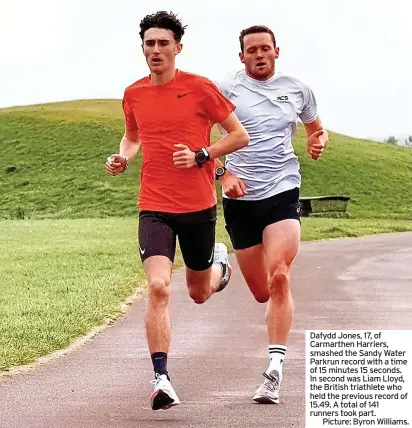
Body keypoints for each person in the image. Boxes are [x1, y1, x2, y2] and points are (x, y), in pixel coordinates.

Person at [105, 11, 248, 411]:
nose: (155, 50)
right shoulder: (133, 93)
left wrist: (203, 153)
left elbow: (239, 135)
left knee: (199, 293)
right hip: (154, 206)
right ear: (143, 48)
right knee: (158, 287)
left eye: (163, 43)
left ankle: (220, 264)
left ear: (177, 47)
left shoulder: (200, 88)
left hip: (198, 206)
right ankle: (161, 378)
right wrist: (123, 157)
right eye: (149, 43)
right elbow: (132, 136)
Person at [214, 25, 328, 404]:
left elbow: (316, 129)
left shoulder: (298, 89)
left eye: (265, 48)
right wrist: (222, 173)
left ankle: (274, 372)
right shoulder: (225, 90)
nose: (259, 55)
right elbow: (201, 138)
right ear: (241, 56)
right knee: (262, 292)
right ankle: (222, 265)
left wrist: (318, 141)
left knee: (280, 276)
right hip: (240, 198)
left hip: (282, 190)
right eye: (251, 50)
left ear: (277, 51)